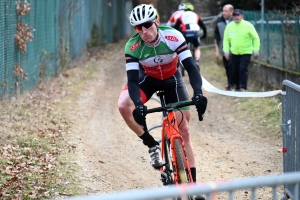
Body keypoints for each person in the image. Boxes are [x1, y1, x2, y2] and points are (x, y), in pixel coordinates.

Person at [118, 4, 207, 200]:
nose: (144, 31)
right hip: (146, 79)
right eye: (138, 27)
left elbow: (191, 68)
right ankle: (151, 144)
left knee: (184, 130)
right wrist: (138, 104)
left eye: (147, 25)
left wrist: (198, 93)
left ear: (157, 22)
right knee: (124, 105)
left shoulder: (173, 36)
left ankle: (193, 186)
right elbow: (132, 80)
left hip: (172, 78)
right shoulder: (132, 46)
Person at [223, 9, 260, 91]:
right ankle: (236, 86)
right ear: (233, 16)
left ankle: (243, 87)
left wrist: (256, 50)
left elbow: (256, 38)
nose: (236, 17)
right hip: (234, 52)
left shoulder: (248, 25)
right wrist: (226, 51)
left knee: (242, 69)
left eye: (238, 15)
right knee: (234, 70)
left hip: (246, 52)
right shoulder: (229, 26)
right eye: (235, 15)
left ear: (242, 16)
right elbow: (226, 40)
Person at [173, 3, 207, 69]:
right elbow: (203, 27)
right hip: (194, 34)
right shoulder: (196, 15)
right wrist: (204, 35)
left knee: (184, 48)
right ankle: (197, 60)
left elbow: (176, 27)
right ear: (192, 9)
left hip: (185, 34)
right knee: (197, 47)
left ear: (185, 9)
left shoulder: (182, 15)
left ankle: (183, 62)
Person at [214, 4, 234, 91]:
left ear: (231, 12)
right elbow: (216, 33)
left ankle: (236, 84)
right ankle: (230, 84)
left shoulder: (236, 20)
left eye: (226, 11)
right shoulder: (219, 21)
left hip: (236, 49)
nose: (223, 13)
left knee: (234, 66)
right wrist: (219, 43)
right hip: (224, 49)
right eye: (223, 11)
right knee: (227, 67)